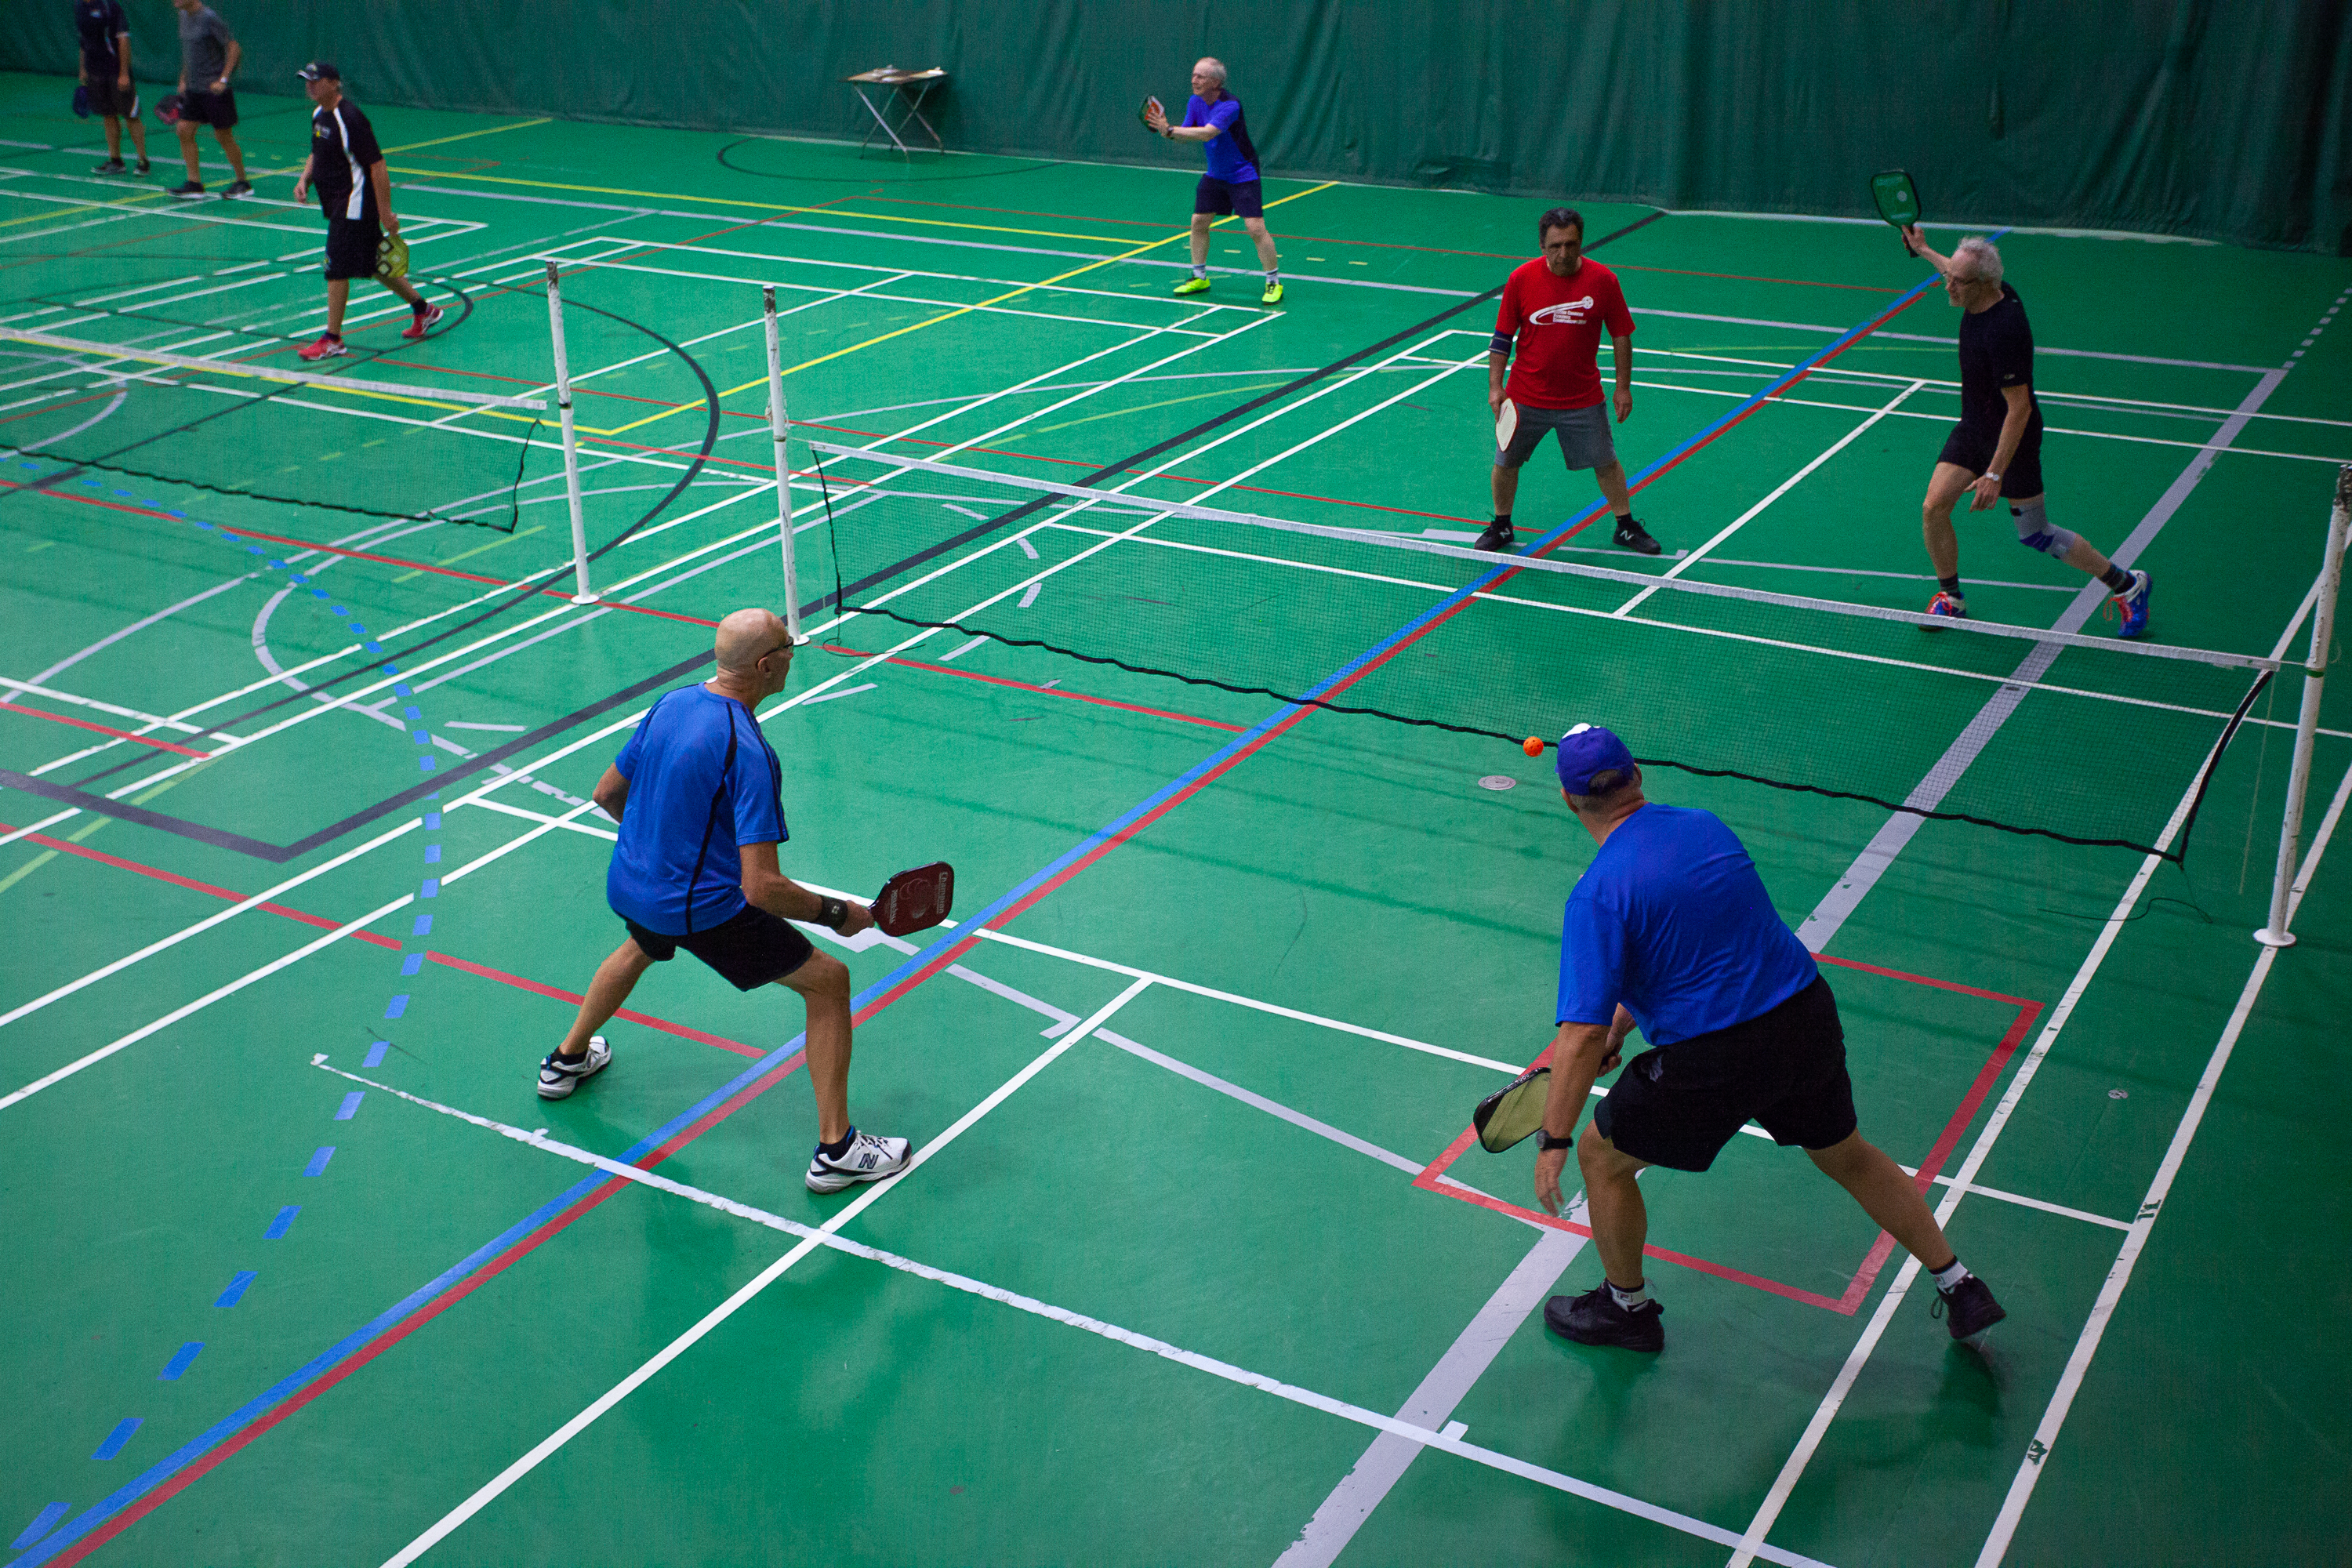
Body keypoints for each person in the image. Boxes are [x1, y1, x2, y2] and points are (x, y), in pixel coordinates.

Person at [1528, 723, 2005, 1353]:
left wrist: (1554, 1139)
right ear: (1637, 774)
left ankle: (1627, 1310)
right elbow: (1695, 950)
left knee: (1601, 1156)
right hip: (1803, 1017)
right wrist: (1624, 1024)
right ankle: (1959, 1283)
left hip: (1719, 1056)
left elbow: (1581, 1035)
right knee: (1845, 1152)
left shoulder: (1598, 894)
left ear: (1569, 800)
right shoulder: (1705, 828)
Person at [536, 609, 913, 1196]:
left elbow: (607, 793)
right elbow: (761, 888)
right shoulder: (749, 751)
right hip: (698, 908)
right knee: (829, 982)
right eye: (788, 647)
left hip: (633, 883)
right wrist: (838, 914)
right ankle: (838, 1149)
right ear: (766, 666)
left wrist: (661, 854)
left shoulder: (672, 704)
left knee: (641, 944)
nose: (793, 654)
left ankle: (566, 1060)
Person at [1901, 227, 2151, 638]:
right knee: (1934, 507)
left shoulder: (2005, 330)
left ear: (1984, 284)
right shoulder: (1984, 289)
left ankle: (2127, 584)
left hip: (2011, 438)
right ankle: (1951, 598)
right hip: (1974, 426)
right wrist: (1925, 249)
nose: (1948, 284)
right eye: (1950, 277)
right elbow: (1955, 269)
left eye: (1957, 281)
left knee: (2037, 534)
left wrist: (1994, 474)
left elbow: (2020, 409)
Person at [1479, 208, 1660, 556]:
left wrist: (1623, 387)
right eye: (1555, 246)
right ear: (1542, 246)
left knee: (1606, 463)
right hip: (1525, 396)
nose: (1563, 253)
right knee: (1505, 462)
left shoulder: (1603, 280)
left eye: (1571, 244)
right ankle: (1502, 525)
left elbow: (1621, 335)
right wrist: (1495, 386)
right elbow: (1502, 337)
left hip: (1582, 397)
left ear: (1581, 242)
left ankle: (1625, 526)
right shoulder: (1521, 279)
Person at [290, 62, 442, 359]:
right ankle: (424, 310)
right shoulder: (319, 115)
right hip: (338, 202)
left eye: (315, 80)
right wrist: (304, 178)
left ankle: (333, 338)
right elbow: (316, 152)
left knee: (335, 268)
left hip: (354, 203)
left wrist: (386, 212)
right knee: (374, 263)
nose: (309, 86)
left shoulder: (351, 118)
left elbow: (377, 165)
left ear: (334, 83)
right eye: (306, 81)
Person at [1143, 58, 1283, 307]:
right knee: (1198, 222)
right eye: (1193, 75)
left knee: (1255, 228)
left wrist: (1170, 130)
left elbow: (1208, 133)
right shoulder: (1195, 101)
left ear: (1216, 82)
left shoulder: (1230, 106)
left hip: (1243, 174)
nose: (1194, 80)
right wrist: (1167, 132)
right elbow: (1186, 134)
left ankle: (1273, 282)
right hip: (1215, 174)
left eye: (1200, 77)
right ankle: (1199, 277)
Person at [166, 0, 247, 198]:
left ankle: (243, 182)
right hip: (194, 89)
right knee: (184, 131)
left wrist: (223, 80)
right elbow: (190, 52)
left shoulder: (209, 18)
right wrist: (184, 78)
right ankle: (194, 183)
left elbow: (234, 48)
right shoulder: (183, 16)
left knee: (223, 137)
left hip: (214, 90)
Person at [74, 0, 149, 176]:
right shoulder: (79, 6)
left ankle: (143, 161)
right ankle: (116, 161)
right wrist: (83, 69)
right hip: (95, 71)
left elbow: (123, 40)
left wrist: (124, 73)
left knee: (131, 115)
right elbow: (83, 40)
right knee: (108, 115)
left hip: (115, 70)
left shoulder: (110, 6)